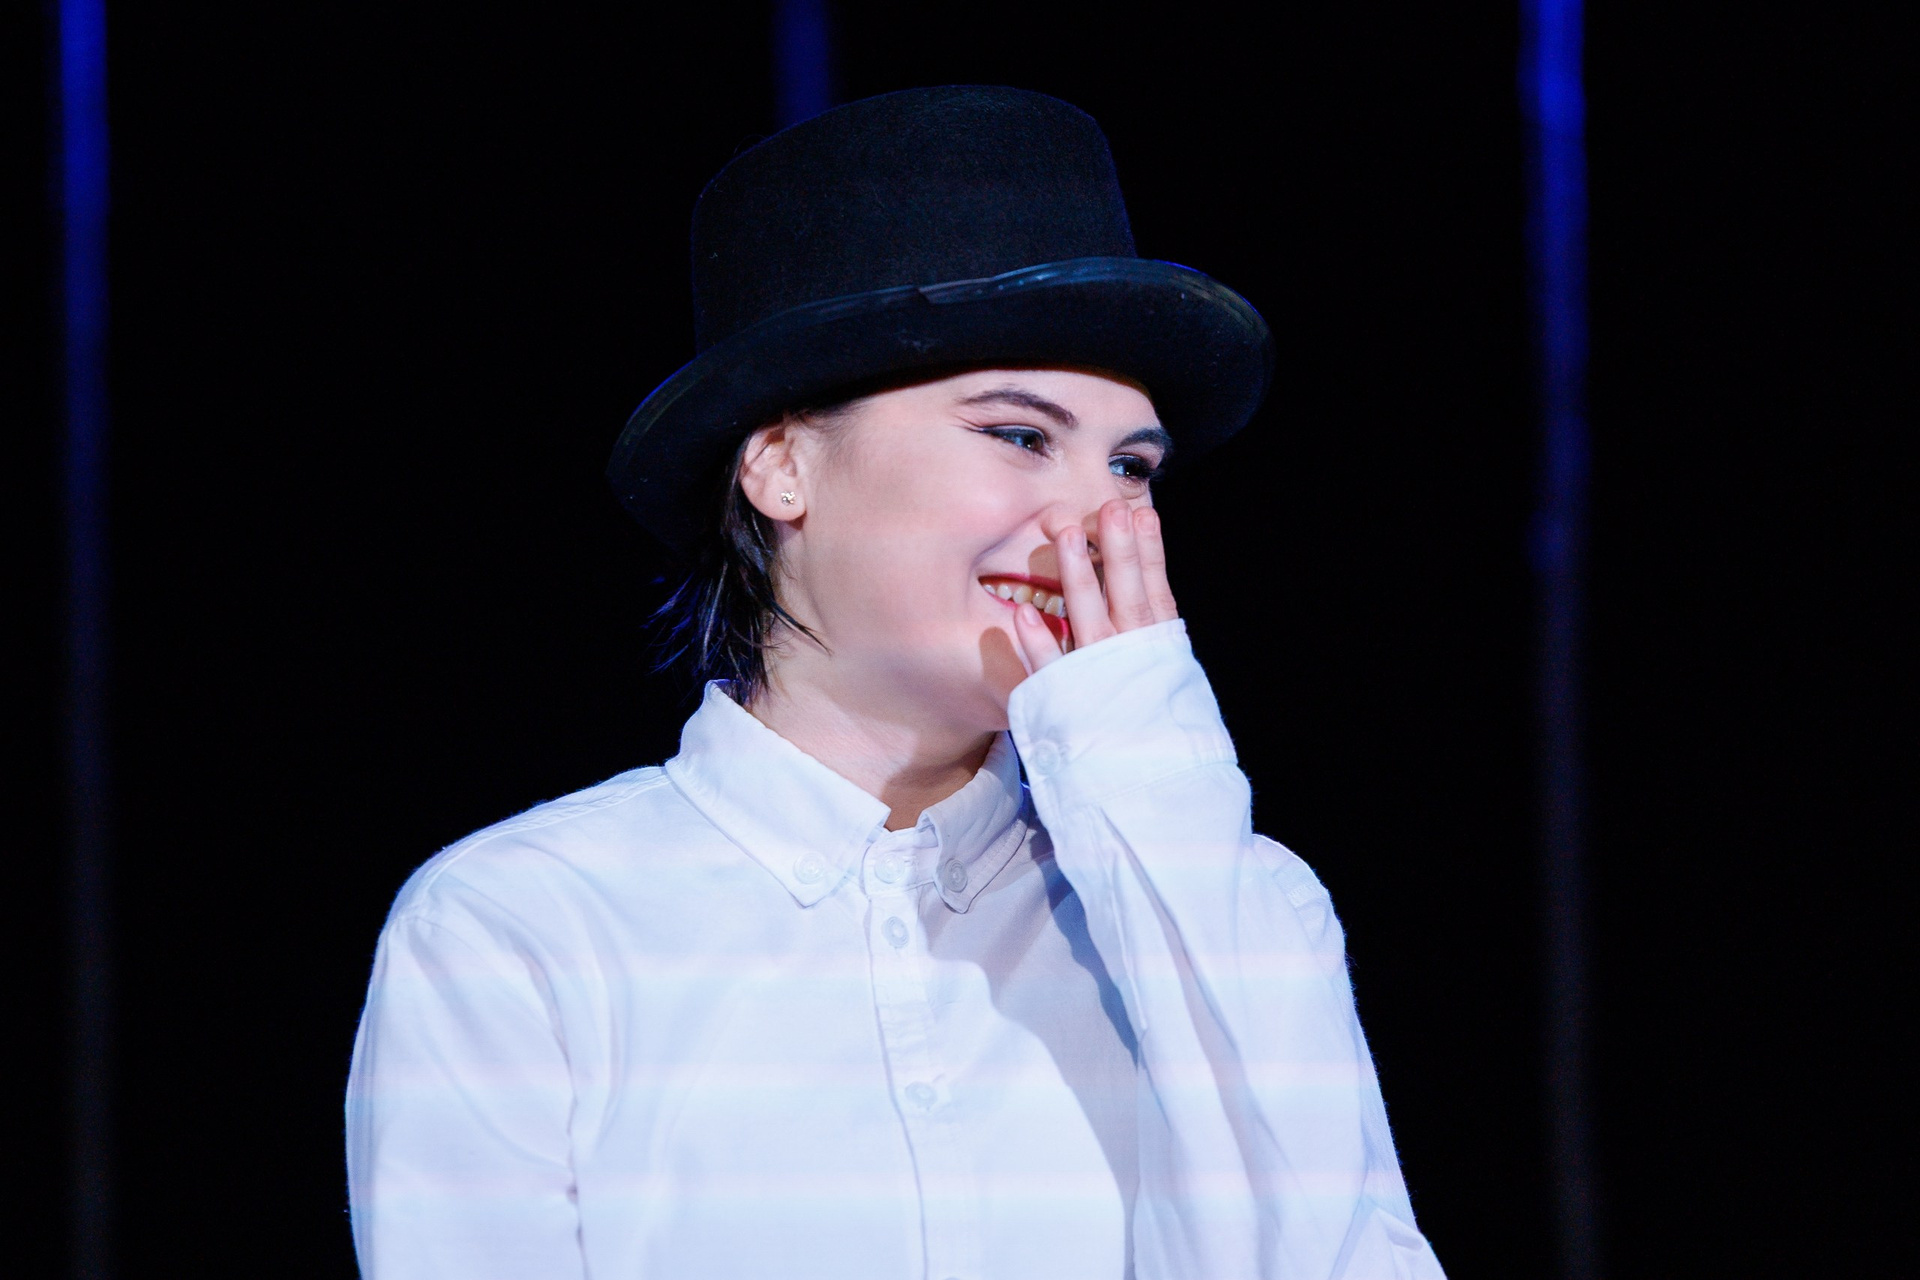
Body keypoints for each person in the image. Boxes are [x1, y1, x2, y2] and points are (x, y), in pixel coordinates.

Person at [345, 86, 1446, 1279]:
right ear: (781, 463)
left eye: (1132, 465)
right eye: (1020, 435)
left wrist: (1158, 805)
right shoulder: (524, 927)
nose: (1098, 517)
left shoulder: (1243, 902)